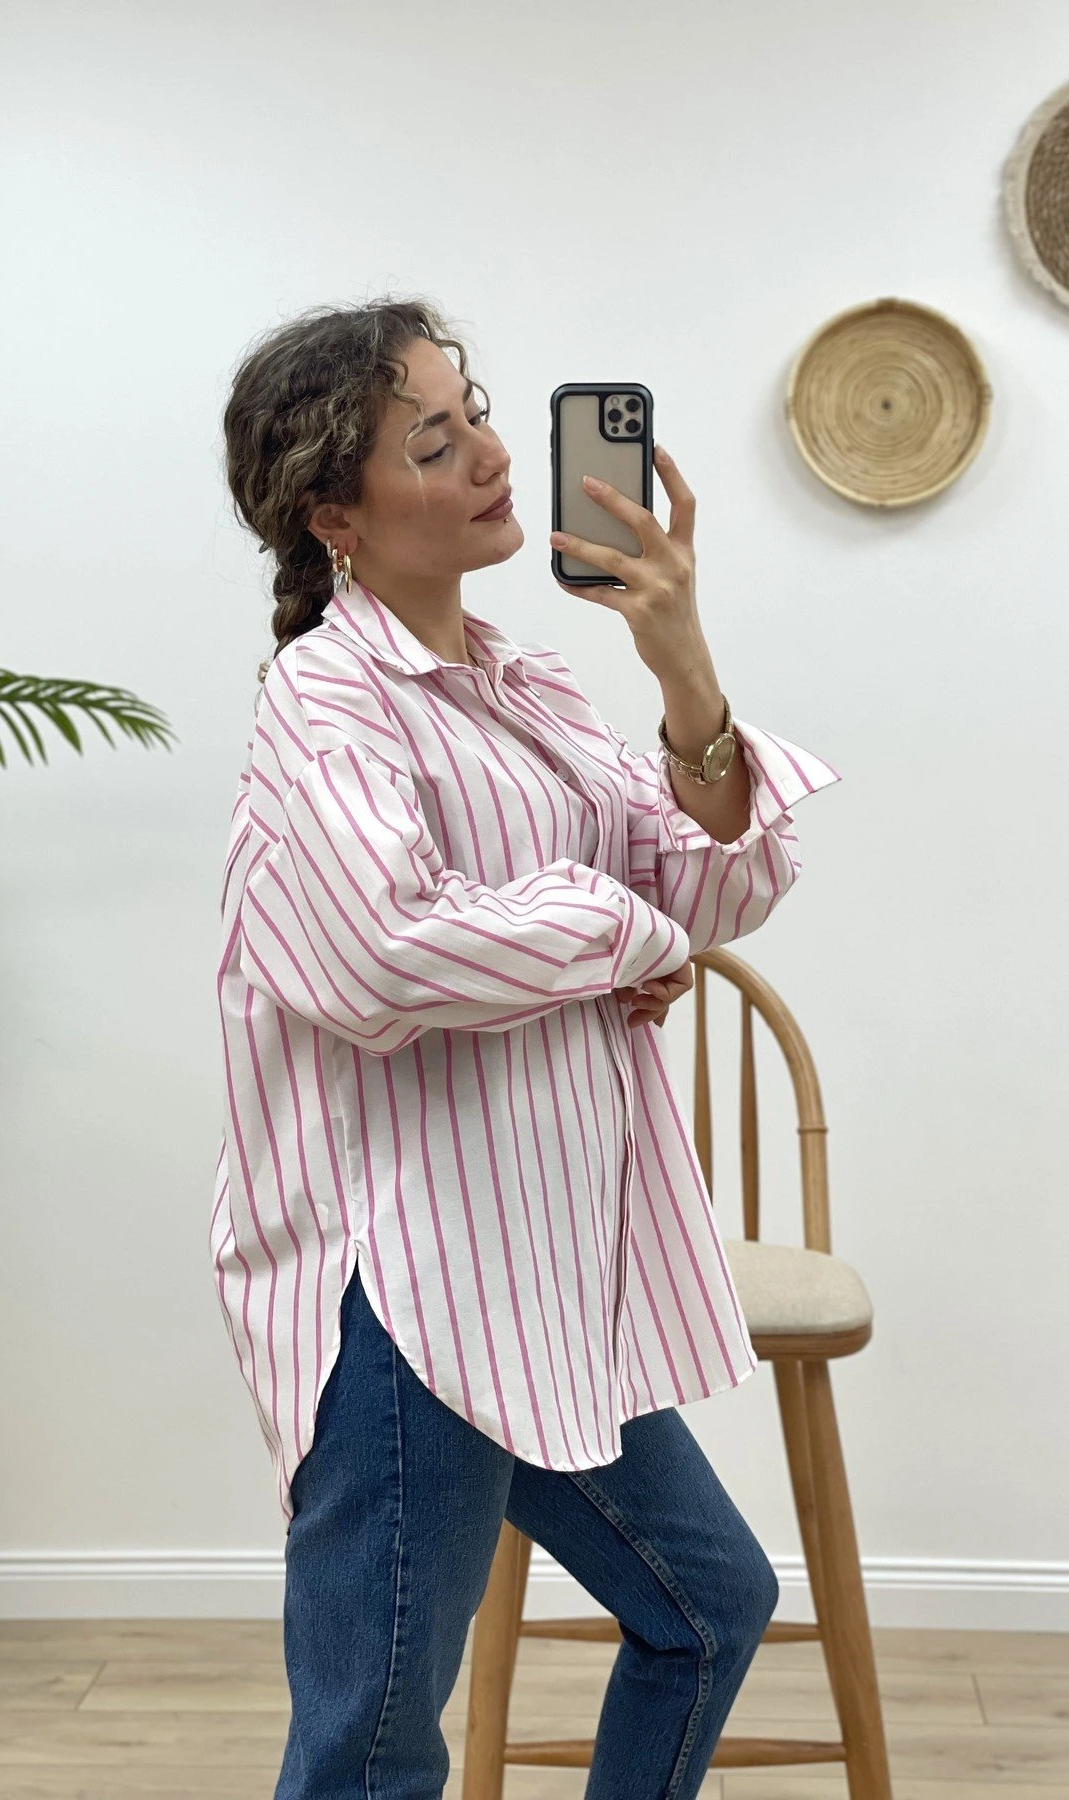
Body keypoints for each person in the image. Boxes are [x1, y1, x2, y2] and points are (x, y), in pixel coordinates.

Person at [211, 295, 841, 1799]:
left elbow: (717, 884)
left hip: (546, 1274)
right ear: (334, 517)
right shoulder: (324, 701)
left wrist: (679, 656)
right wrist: (619, 938)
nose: (494, 457)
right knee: (370, 1748)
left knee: (710, 1608)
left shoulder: (527, 684)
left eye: (478, 415)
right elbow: (380, 951)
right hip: (406, 1288)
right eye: (433, 443)